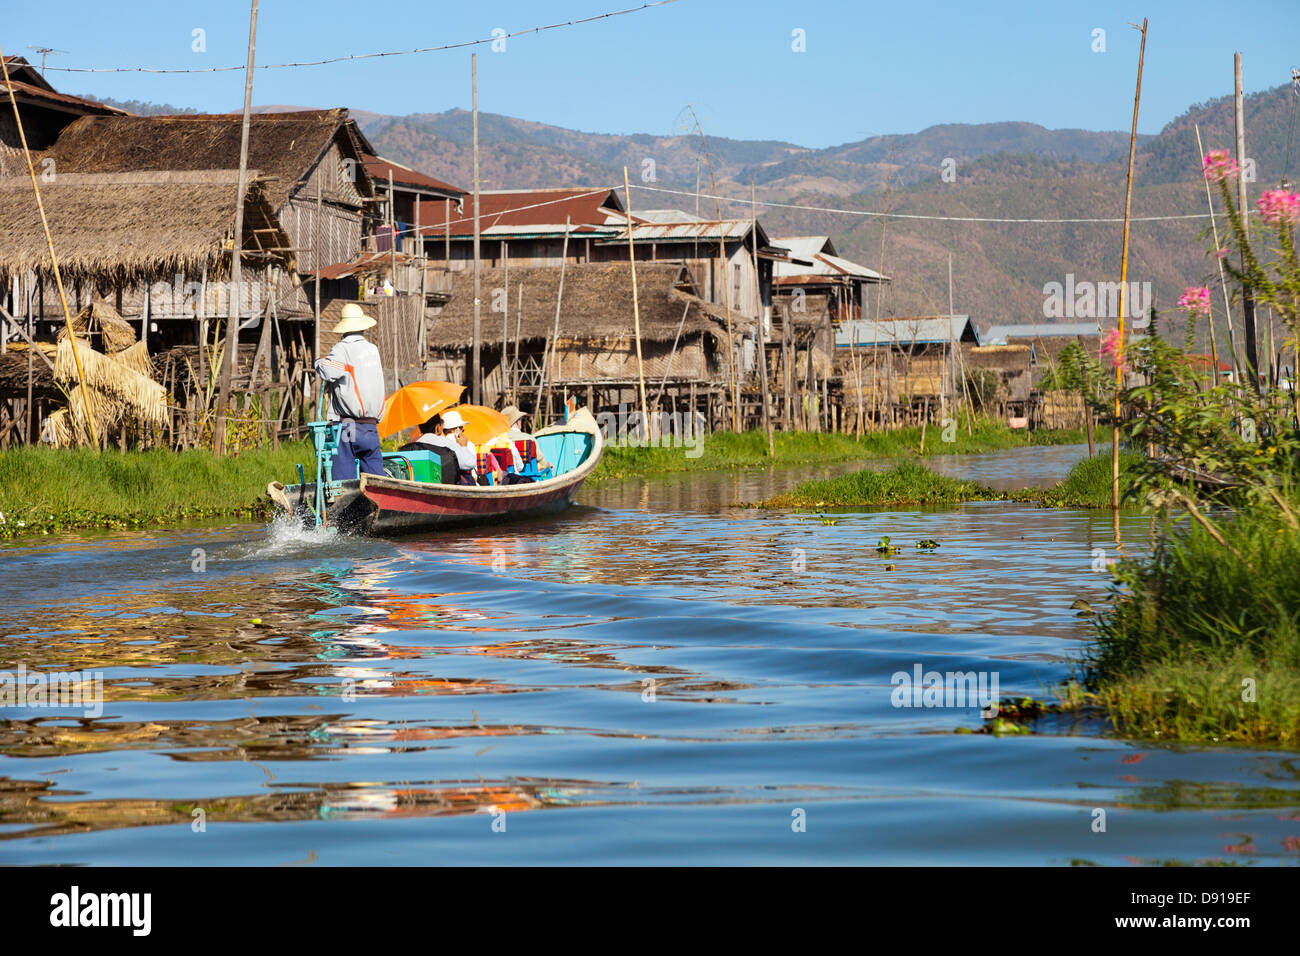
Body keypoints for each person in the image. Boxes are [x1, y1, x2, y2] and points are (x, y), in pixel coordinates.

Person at [314, 303, 385, 480]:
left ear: (344, 329)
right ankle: (379, 505)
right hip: (370, 426)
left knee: (344, 482)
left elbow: (330, 371)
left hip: (348, 426)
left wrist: (319, 362)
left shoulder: (342, 349)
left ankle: (345, 507)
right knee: (376, 480)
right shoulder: (372, 350)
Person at [496, 405, 553, 475]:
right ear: (517, 422)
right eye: (520, 419)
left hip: (504, 475)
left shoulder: (497, 440)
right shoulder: (529, 439)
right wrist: (548, 465)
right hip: (528, 476)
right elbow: (542, 461)